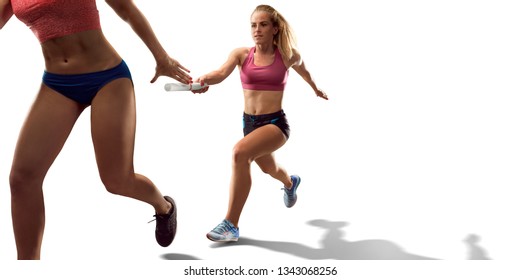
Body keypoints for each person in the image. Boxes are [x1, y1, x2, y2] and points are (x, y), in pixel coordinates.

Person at [1, 0, 191, 259]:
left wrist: (162, 58)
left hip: (108, 78)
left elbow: (125, 9)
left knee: (117, 180)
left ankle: (163, 206)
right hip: (57, 84)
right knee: (22, 179)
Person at [191, 4, 328, 242]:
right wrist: (204, 80)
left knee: (239, 153)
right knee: (269, 169)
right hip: (250, 124)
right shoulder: (241, 54)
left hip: (276, 124)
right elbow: (220, 73)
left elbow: (304, 71)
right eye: (253, 25)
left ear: (275, 29)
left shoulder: (287, 55)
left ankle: (231, 224)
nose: (257, 29)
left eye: (263, 24)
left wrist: (316, 88)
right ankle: (290, 182)